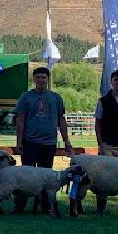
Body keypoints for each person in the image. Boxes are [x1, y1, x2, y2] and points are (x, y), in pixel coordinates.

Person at [14, 66, 73, 213]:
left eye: (44, 77)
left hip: (48, 143)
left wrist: (66, 141)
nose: (41, 80)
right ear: (34, 79)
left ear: (48, 79)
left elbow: (61, 120)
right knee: (26, 175)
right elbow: (20, 120)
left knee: (46, 176)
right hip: (30, 142)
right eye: (38, 77)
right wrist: (19, 141)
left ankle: (45, 206)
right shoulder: (25, 97)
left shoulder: (56, 98)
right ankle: (20, 205)